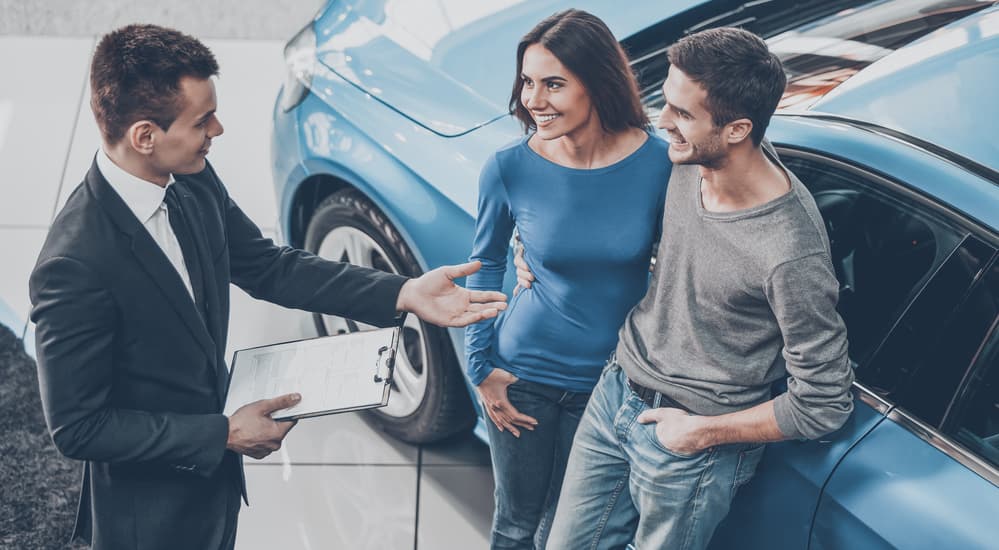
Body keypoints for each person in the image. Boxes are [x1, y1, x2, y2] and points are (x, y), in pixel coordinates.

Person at [28, 24, 506, 550]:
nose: (219, 129)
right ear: (145, 136)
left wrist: (403, 292)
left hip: (217, 481)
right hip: (150, 515)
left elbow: (267, 267)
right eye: (202, 120)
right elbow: (78, 427)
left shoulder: (190, 178)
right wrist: (223, 434)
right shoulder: (73, 265)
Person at [515, 27, 854, 549]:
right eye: (666, 103)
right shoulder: (686, 163)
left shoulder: (790, 253)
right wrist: (528, 248)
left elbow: (824, 404)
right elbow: (609, 220)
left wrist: (701, 433)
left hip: (691, 445)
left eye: (682, 114)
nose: (662, 122)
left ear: (738, 129)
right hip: (616, 393)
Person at [464, 10, 671, 550]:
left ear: (597, 83)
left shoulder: (659, 162)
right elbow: (484, 267)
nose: (533, 99)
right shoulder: (509, 166)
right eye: (527, 82)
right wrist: (480, 367)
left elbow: (681, 264)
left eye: (553, 83)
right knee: (514, 524)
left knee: (565, 533)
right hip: (521, 371)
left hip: (609, 386)